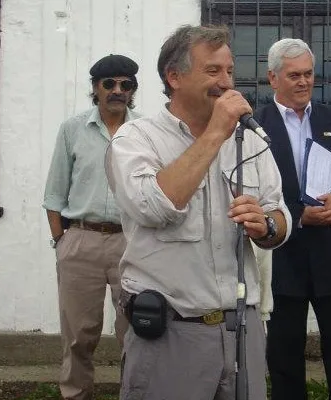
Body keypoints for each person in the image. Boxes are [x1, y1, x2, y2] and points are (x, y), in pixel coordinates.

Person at [105, 25, 292, 400]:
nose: (225, 83)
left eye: (229, 71)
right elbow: (155, 206)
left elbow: (281, 217)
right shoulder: (135, 139)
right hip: (172, 333)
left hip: (243, 330)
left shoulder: (250, 140)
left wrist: (266, 225)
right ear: (173, 77)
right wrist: (214, 134)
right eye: (212, 71)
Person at [254, 38, 331, 400]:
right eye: (294, 75)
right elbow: (246, 190)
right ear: (272, 78)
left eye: (309, 74)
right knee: (283, 355)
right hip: (282, 257)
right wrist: (297, 215)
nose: (304, 82)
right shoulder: (253, 128)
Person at [43, 54, 141, 400]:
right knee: (77, 336)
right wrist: (62, 243)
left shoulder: (144, 131)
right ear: (95, 89)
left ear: (133, 90)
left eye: (125, 85)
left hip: (132, 243)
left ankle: (134, 394)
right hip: (80, 241)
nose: (117, 90)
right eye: (109, 84)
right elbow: (54, 193)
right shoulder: (72, 130)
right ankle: (75, 395)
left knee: (135, 332)